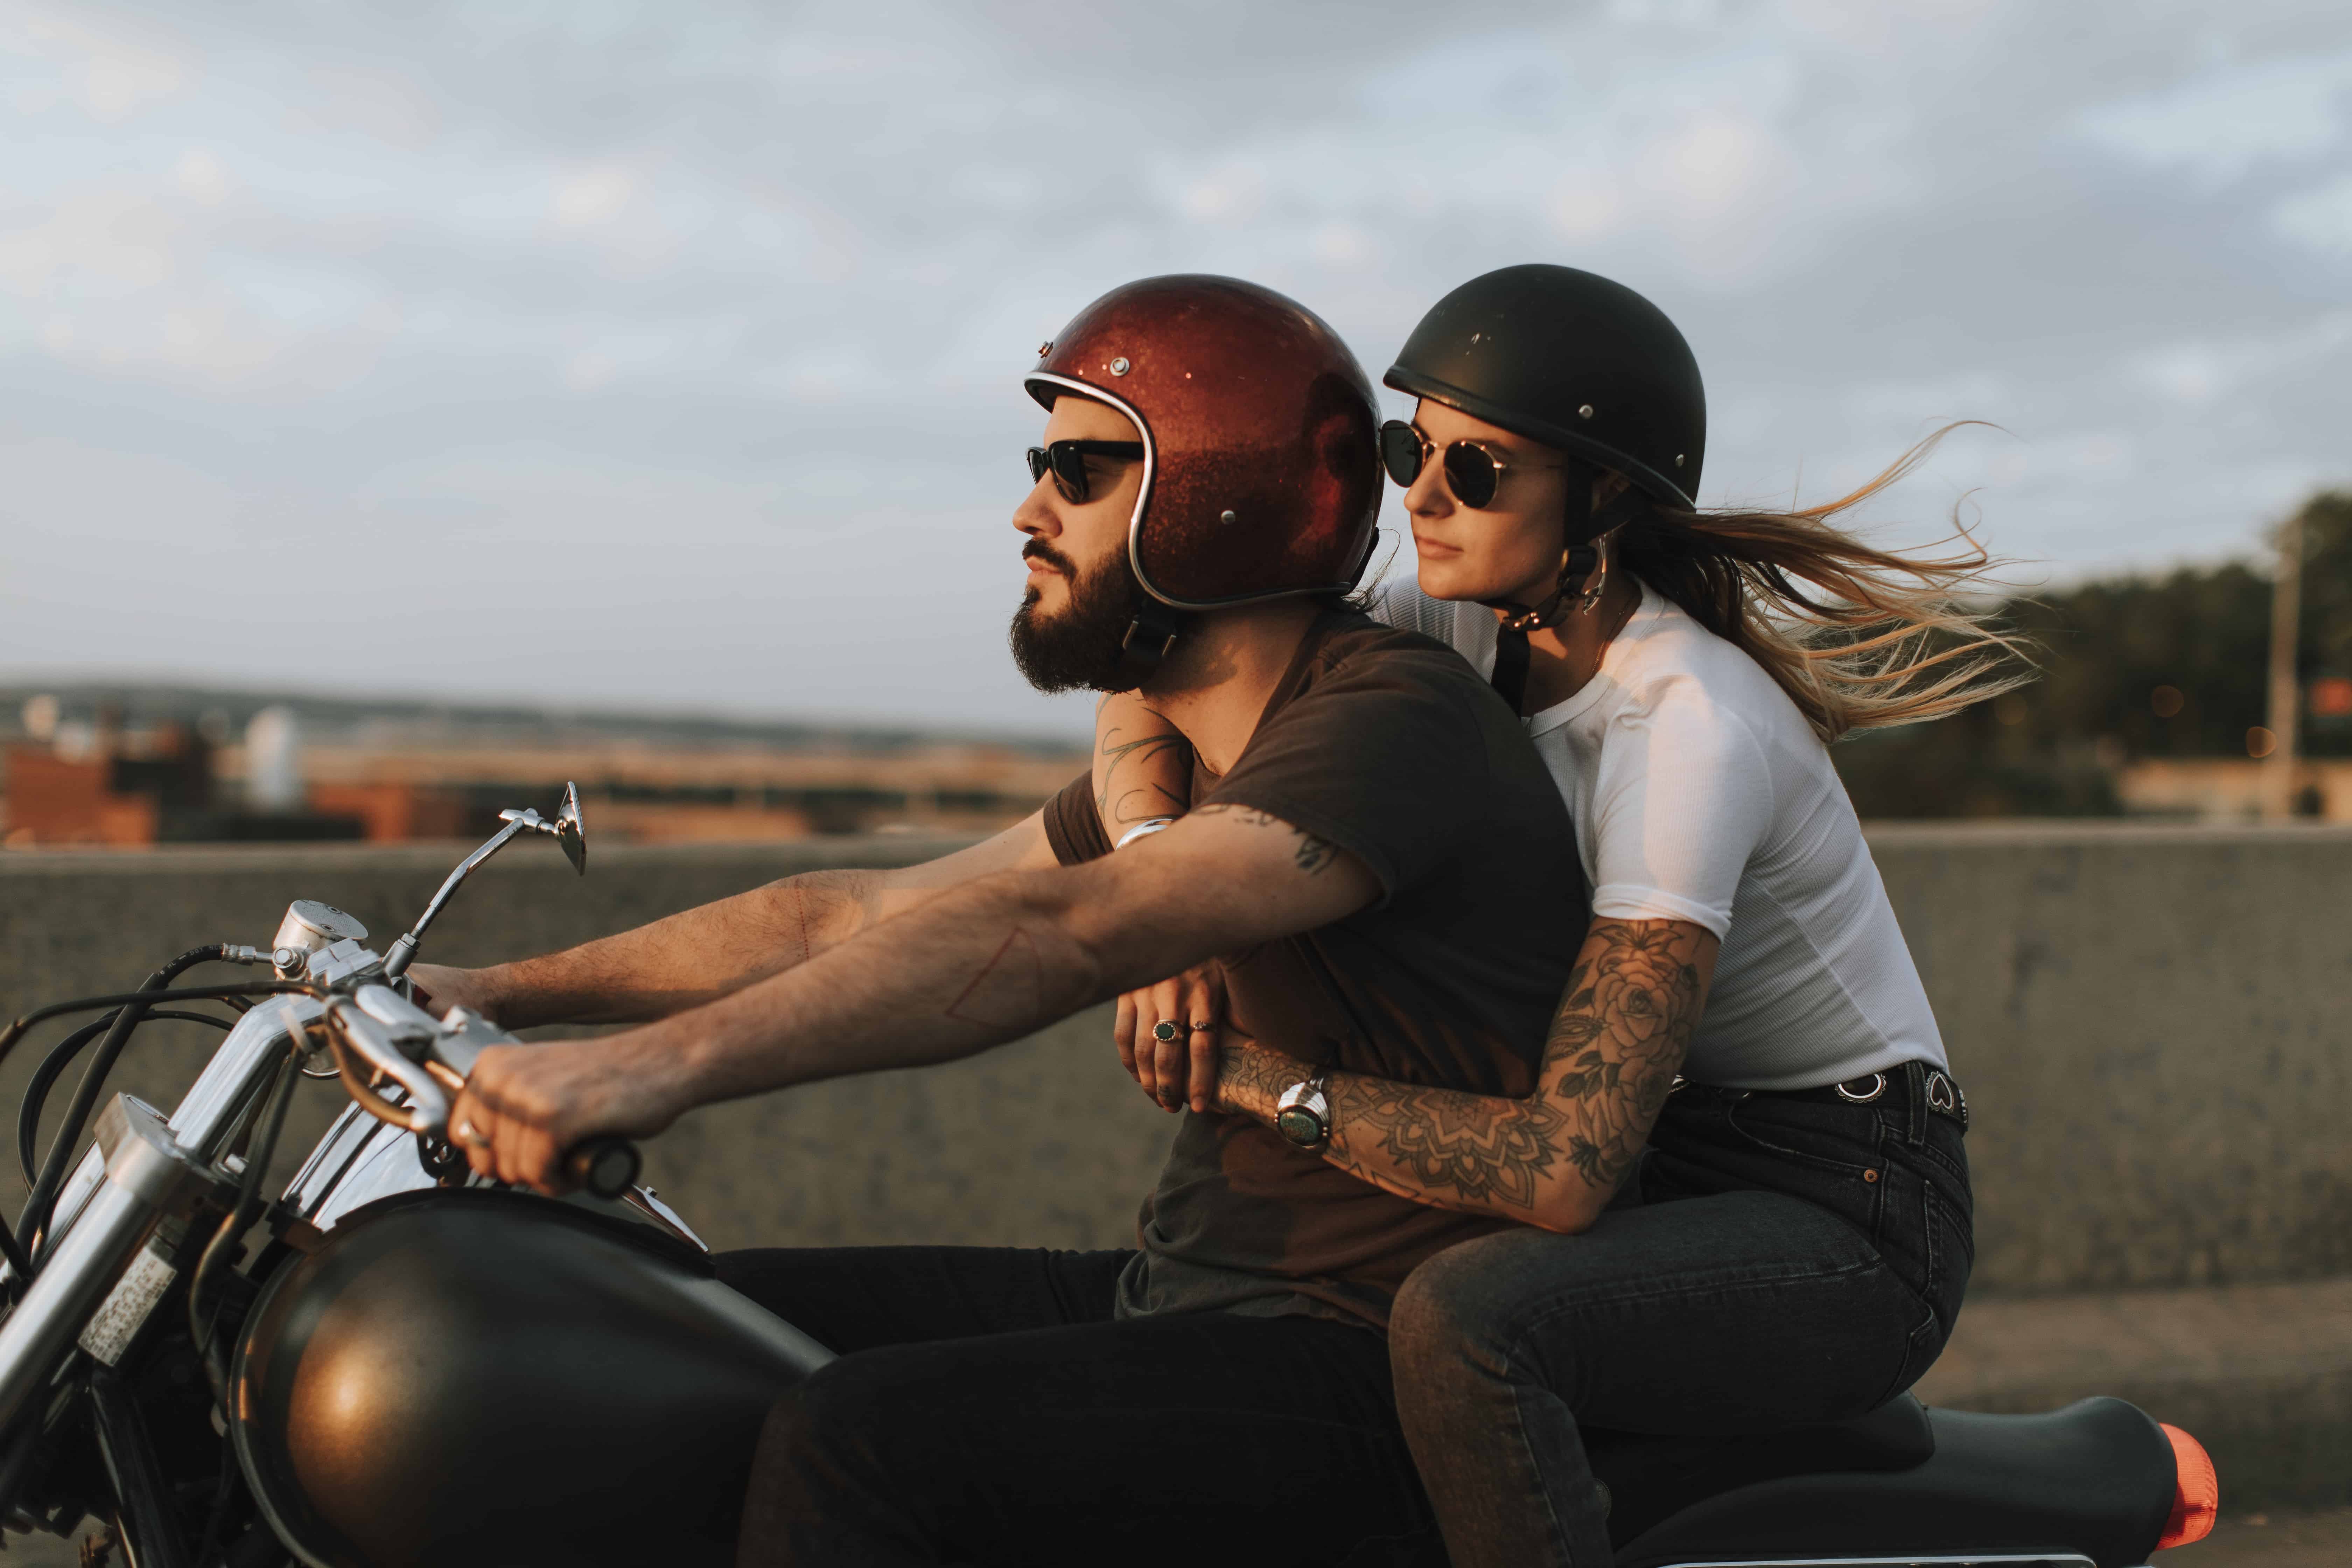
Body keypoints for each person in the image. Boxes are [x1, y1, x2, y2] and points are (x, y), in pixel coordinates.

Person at [407, 273, 1590, 1567]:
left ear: (1216, 498)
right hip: (1184, 1292)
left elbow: (1067, 933)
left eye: (1080, 469)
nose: (1028, 509)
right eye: (1041, 464)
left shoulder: (1387, 723)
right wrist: (493, 994)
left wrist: (653, 1073)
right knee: (662, 1325)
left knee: (855, 1436)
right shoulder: (1196, 743)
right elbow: (842, 913)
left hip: (1354, 1361)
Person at [1090, 264, 2019, 1568]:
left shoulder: (1686, 723)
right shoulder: (1445, 623)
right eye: (1415, 449)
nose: (1419, 493)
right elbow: (1156, 651)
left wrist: (1258, 1085)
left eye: (1478, 471)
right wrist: (1154, 879)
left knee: (1469, 1321)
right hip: (1676, 1155)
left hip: (1847, 1207)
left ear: (1604, 497)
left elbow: (1562, 1167)